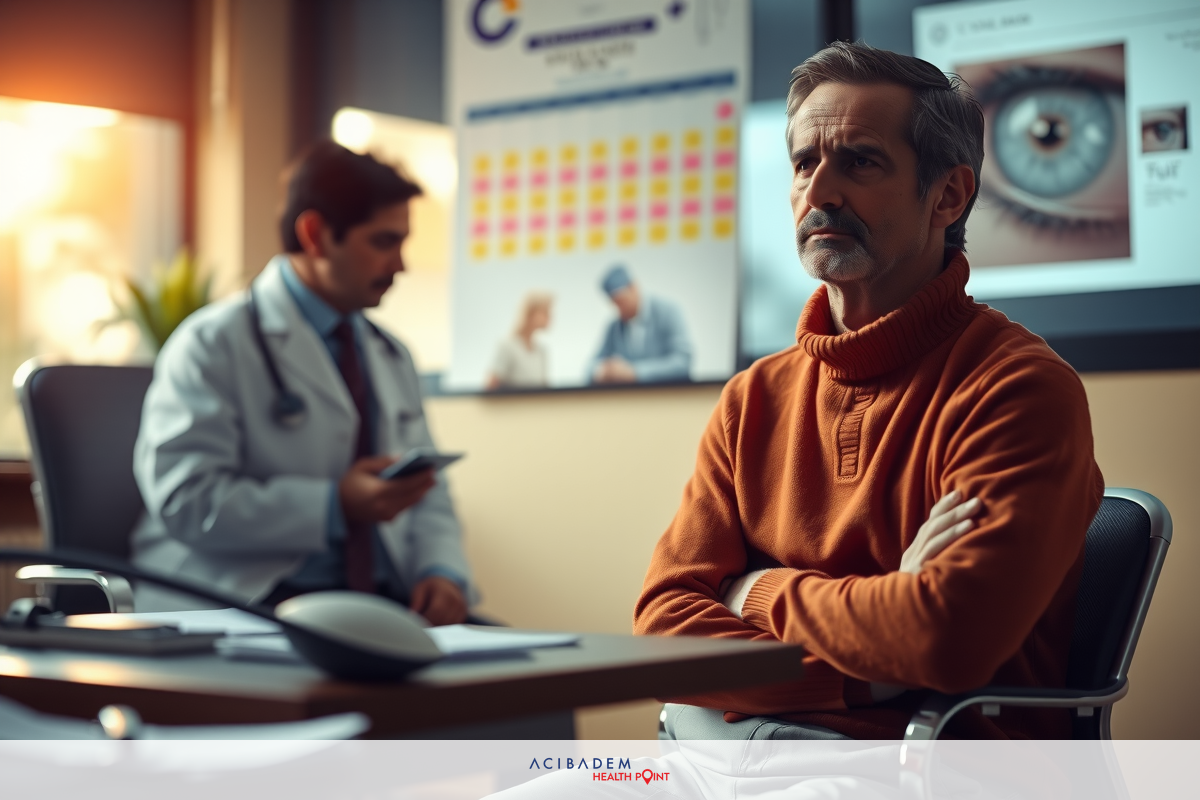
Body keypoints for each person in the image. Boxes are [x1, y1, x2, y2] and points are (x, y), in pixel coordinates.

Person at [633, 42, 1104, 739]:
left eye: (859, 160)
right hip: (727, 759)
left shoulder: (1018, 389)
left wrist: (752, 590)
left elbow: (943, 639)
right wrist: (868, 664)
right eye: (803, 163)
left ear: (948, 194)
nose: (819, 192)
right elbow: (664, 628)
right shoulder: (751, 399)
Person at [132, 141, 474, 624]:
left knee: (530, 685)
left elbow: (428, 492)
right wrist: (334, 505)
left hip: (376, 600)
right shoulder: (212, 343)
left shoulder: (388, 354)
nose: (401, 265)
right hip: (244, 598)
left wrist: (441, 572)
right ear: (315, 234)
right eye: (383, 242)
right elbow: (186, 501)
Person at [591, 265, 692, 384]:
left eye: (622, 301)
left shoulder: (668, 312)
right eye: (615, 304)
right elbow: (590, 367)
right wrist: (603, 371)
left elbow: (682, 362)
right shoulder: (615, 327)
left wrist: (635, 372)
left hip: (669, 398)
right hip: (632, 401)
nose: (619, 309)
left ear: (634, 287)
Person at [486, 291, 553, 390]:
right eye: (545, 312)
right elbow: (491, 385)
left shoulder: (542, 351)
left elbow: (544, 390)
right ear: (530, 313)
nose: (550, 317)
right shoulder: (507, 346)